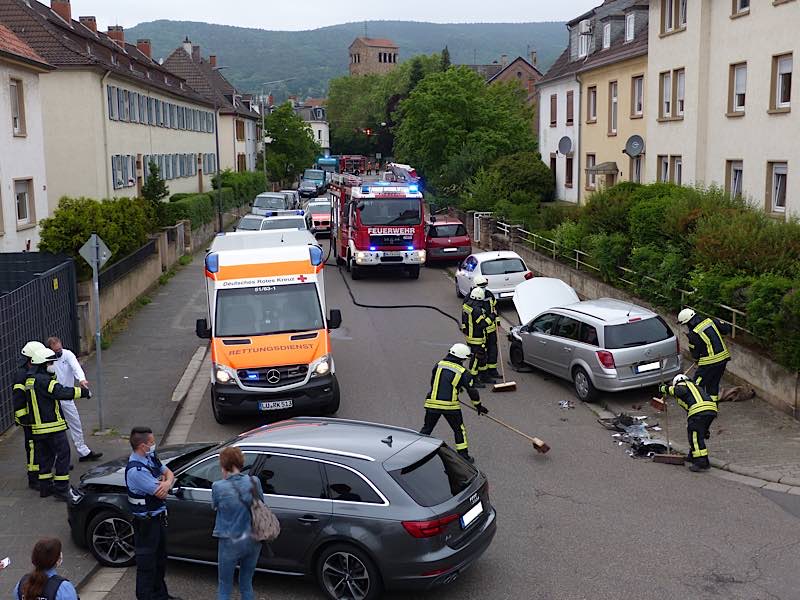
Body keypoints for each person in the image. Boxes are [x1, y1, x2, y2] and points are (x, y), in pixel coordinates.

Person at [26, 348, 90, 501]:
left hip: (38, 428)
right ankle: (61, 489)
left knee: (46, 458)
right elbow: (60, 392)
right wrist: (83, 392)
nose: (52, 364)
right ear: (42, 364)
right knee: (63, 455)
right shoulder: (44, 380)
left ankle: (45, 487)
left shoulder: (30, 380)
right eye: (50, 362)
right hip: (52, 426)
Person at [125, 426, 180, 600]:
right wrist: (165, 483)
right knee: (147, 566)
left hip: (158, 520)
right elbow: (160, 492)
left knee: (160, 562)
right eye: (151, 442)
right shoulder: (137, 471)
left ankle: (161, 595)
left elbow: (169, 473)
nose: (154, 444)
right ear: (142, 446)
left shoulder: (150, 458)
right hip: (147, 525)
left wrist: (167, 482)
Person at [420, 343, 488, 463]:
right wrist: (478, 406)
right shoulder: (463, 372)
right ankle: (463, 456)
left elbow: (435, 382)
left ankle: (416, 450)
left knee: (427, 429)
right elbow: (472, 391)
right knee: (458, 429)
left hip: (432, 403)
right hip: (450, 406)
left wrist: (455, 388)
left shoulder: (438, 365)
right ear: (461, 358)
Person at [212, 447, 263, 600]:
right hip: (253, 539)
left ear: (223, 465)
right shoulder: (255, 481)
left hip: (230, 540)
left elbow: (215, 506)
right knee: (246, 583)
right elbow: (260, 503)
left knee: (224, 585)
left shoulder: (218, 486)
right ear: (241, 462)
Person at [46, 336, 102, 463]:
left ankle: (83, 451)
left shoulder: (67, 354)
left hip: (66, 397)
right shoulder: (47, 360)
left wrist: (81, 379)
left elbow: (76, 367)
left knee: (75, 423)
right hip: (53, 399)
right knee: (56, 429)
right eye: (56, 350)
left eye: (60, 349)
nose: (59, 352)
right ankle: (57, 458)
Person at [660, 374, 718, 472]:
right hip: (710, 410)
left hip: (699, 411)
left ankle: (701, 462)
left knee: (695, 437)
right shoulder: (694, 386)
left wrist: (665, 389)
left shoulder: (682, 385)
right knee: (694, 433)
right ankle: (693, 456)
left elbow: (680, 391)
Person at [677, 309, 731, 403]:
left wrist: (697, 360)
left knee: (697, 385)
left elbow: (695, 353)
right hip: (723, 359)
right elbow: (726, 329)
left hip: (709, 363)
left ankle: (696, 406)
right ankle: (712, 405)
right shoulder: (711, 321)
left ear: (689, 322)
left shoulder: (693, 334)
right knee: (713, 384)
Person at [13, 341, 46, 490]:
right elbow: (18, 398)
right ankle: (33, 478)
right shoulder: (22, 375)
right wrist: (24, 418)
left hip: (36, 416)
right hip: (29, 419)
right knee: (32, 447)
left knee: (40, 445)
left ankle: (43, 470)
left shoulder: (30, 372)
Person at [461, 287, 492, 387]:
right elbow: (482, 324)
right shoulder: (477, 310)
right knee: (476, 358)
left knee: (482, 356)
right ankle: (473, 380)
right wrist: (492, 317)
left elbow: (464, 318)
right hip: (476, 337)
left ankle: (484, 376)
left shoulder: (467, 305)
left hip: (471, 336)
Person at [473, 275, 501, 379]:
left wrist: (497, 322)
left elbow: (495, 308)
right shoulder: (471, 297)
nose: (483, 288)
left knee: (493, 349)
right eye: (481, 286)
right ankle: (482, 372)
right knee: (481, 352)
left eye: (485, 285)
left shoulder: (489, 295)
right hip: (480, 331)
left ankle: (492, 370)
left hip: (491, 329)